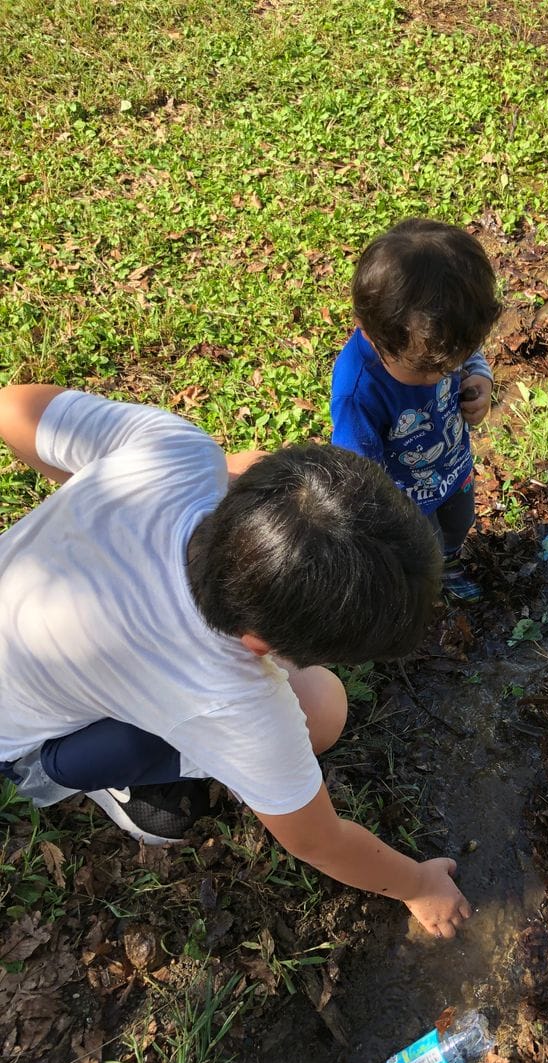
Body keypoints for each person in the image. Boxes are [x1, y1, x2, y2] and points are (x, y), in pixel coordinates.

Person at [0, 383, 471, 939]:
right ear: (260, 643)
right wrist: (418, 884)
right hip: (26, 750)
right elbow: (318, 840)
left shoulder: (175, 450)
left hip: (33, 638)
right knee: (323, 709)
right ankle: (113, 783)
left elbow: (14, 406)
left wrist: (86, 497)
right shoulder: (230, 698)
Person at [331, 218, 501, 602]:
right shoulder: (358, 390)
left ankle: (450, 562)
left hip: (453, 468)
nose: (442, 375)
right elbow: (357, 471)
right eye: (427, 369)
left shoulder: (444, 336)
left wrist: (481, 382)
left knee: (459, 525)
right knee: (424, 549)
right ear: (368, 330)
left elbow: (472, 354)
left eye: (451, 363)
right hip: (404, 498)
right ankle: (426, 585)